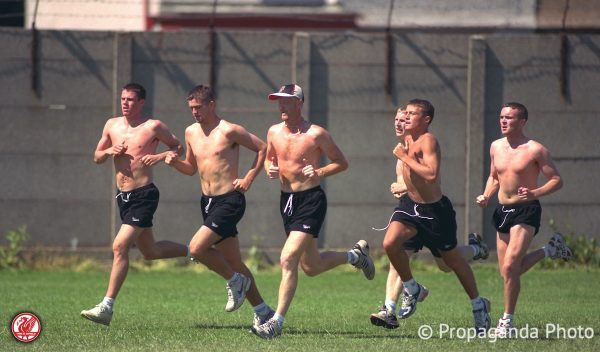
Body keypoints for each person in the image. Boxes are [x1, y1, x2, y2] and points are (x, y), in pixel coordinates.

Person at [251, 84, 375, 339]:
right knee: (312, 266)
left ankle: (276, 322)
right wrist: (269, 168)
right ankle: (355, 257)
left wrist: (318, 172)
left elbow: (342, 163)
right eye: (278, 102)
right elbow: (269, 158)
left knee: (287, 259)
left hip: (311, 201)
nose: (281, 107)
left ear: (299, 103)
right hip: (287, 201)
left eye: (286, 102)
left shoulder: (317, 134)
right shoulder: (273, 131)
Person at [164, 84, 274, 328]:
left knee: (196, 248)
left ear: (211, 104)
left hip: (230, 200)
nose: (194, 112)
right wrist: (174, 164)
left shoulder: (229, 130)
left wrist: (248, 178)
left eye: (199, 107)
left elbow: (262, 148)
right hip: (208, 202)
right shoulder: (191, 132)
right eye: (191, 108)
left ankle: (235, 281)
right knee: (234, 261)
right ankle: (263, 311)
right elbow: (191, 168)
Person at [370, 107, 489, 330]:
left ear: (426, 119)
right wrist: (402, 183)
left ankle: (478, 304)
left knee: (449, 263)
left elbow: (432, 175)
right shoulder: (404, 141)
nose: (403, 120)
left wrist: (404, 158)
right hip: (410, 207)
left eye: (409, 115)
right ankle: (409, 290)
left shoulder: (428, 141)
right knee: (390, 244)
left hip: (435, 212)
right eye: (400, 117)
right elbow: (411, 177)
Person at [81, 83, 189, 326]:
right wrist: (109, 150)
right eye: (123, 99)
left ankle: (106, 307)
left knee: (119, 246)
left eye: (130, 99)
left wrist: (160, 156)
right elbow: (96, 157)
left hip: (144, 195)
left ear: (141, 103)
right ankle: (196, 251)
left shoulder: (153, 126)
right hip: (123, 197)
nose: (125, 103)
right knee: (151, 252)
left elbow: (177, 146)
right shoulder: (111, 124)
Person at [475, 102, 572, 336]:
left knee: (510, 267)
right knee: (507, 271)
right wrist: (486, 195)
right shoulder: (495, 146)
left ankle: (507, 322)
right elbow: (493, 176)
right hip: (502, 210)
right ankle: (550, 250)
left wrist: (535, 193)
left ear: (522, 121)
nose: (503, 121)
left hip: (527, 209)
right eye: (501, 117)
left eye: (509, 117)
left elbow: (556, 180)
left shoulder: (535, 150)